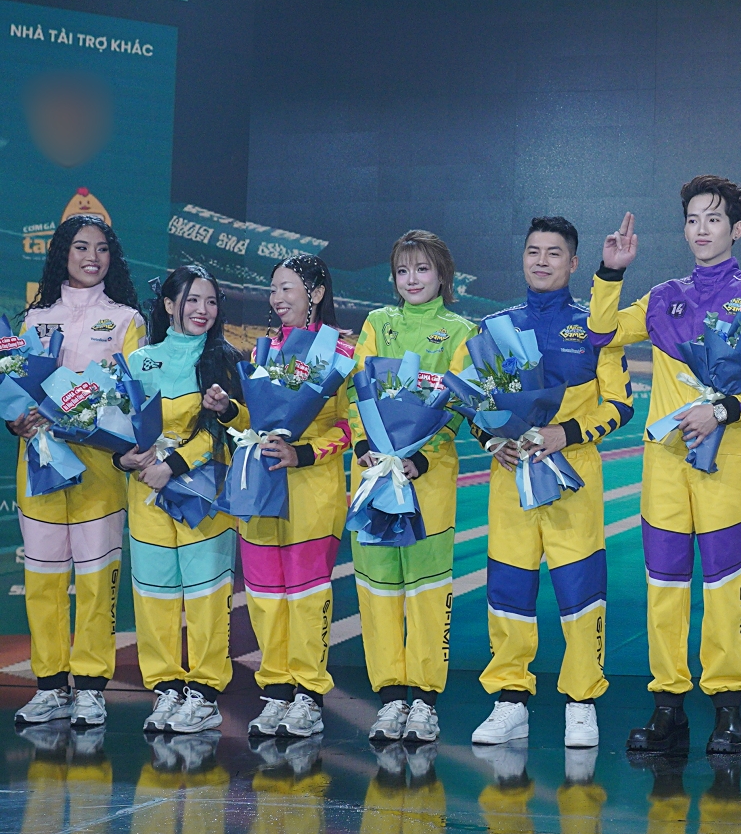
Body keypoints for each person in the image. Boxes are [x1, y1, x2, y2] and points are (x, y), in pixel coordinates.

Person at [588, 176, 741, 756]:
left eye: (714, 219)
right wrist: (610, 273)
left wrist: (723, 409)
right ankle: (668, 706)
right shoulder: (661, 297)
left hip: (726, 463)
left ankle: (728, 707)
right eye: (693, 219)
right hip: (665, 466)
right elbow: (602, 332)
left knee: (727, 586)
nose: (702, 229)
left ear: (737, 228)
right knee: (666, 586)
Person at [467, 216, 633, 749]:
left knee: (580, 592)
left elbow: (621, 405)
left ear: (574, 262)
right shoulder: (491, 328)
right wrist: (490, 440)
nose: (541, 261)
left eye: (554, 252)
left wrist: (567, 433)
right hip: (510, 477)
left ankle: (581, 702)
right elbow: (471, 403)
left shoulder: (597, 328)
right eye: (533, 251)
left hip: (573, 479)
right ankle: (510, 700)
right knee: (509, 589)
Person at [11, 215, 144, 728]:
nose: (93, 257)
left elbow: (133, 394)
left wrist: (79, 414)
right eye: (82, 247)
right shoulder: (34, 318)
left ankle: (89, 687)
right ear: (62, 253)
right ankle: (49, 686)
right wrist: (16, 420)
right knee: (43, 582)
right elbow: (15, 386)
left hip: (99, 469)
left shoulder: (127, 320)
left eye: (102, 249)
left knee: (94, 581)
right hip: (41, 463)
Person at [350, 230, 476, 745]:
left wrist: (420, 457)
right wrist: (365, 447)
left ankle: (424, 701)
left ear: (443, 274)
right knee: (379, 588)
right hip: (375, 475)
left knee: (425, 591)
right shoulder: (376, 323)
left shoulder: (462, 331)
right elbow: (358, 392)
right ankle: (389, 699)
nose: (412, 279)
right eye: (403, 271)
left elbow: (458, 404)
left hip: (429, 479)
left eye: (422, 269)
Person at [118, 265, 243, 734]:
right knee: (154, 595)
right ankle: (166, 688)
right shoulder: (139, 359)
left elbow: (223, 431)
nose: (202, 310)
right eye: (192, 300)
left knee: (207, 596)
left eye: (210, 301)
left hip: (202, 493)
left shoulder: (224, 359)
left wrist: (172, 466)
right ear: (169, 305)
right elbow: (119, 422)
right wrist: (124, 459)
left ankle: (205, 695)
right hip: (145, 492)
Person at [242, 255, 351, 739]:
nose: (277, 298)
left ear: (316, 293)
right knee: (265, 595)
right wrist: (227, 412)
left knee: (306, 597)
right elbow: (252, 419)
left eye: (287, 288)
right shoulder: (261, 351)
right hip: (263, 486)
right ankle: (276, 691)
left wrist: (303, 453)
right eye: (273, 289)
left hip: (313, 490)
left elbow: (351, 425)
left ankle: (308, 695)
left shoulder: (340, 351)